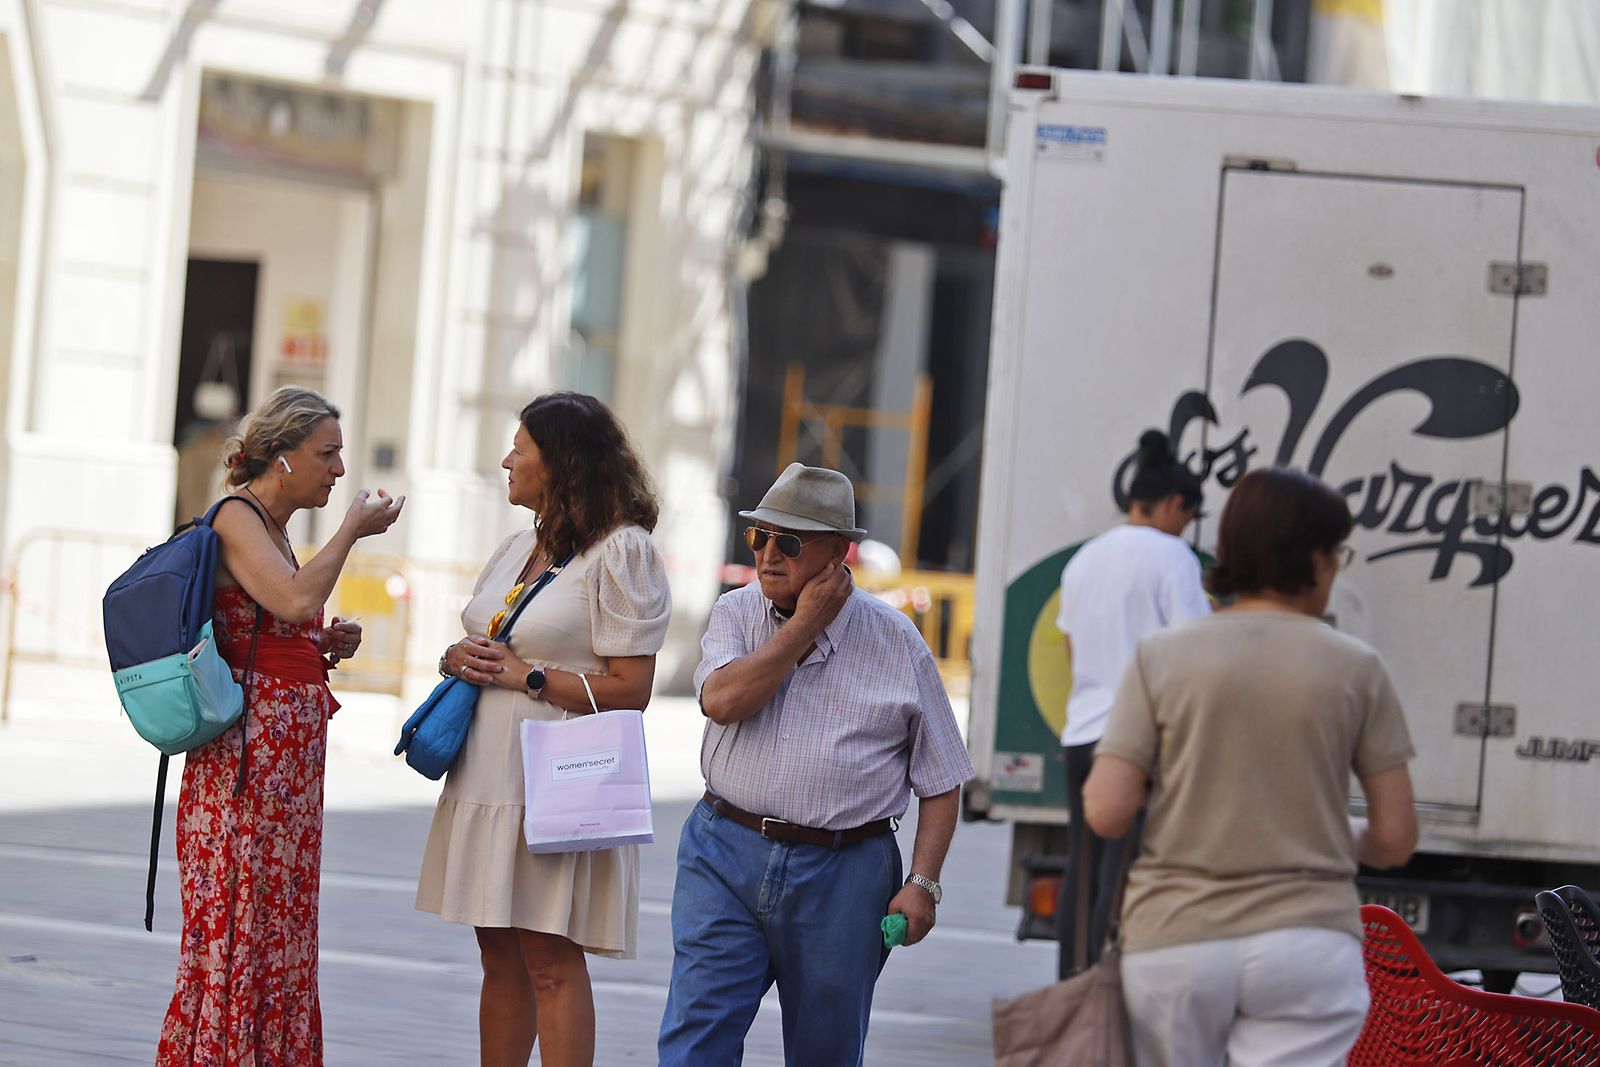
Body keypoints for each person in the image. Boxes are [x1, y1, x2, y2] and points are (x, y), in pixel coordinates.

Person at [1084, 467, 1419, 1067]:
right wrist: (1316, 832)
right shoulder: (1358, 668)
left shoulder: (1161, 657)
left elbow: (1106, 812)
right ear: (1314, 559)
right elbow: (1395, 839)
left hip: (1176, 939)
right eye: (1337, 553)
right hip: (1307, 942)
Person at [657, 462, 975, 1067]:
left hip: (844, 875)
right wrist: (805, 625)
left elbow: (943, 778)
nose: (768, 554)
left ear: (838, 554)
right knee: (694, 1041)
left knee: (824, 1053)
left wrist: (923, 883)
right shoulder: (736, 613)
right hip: (725, 851)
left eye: (790, 542)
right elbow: (724, 701)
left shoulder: (896, 640)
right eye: (760, 536)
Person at [416, 392, 671, 1067]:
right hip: (488, 773)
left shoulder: (623, 551)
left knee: (549, 957)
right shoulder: (518, 544)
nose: (506, 460)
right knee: (497, 952)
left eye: (520, 450)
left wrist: (527, 676)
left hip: (556, 779)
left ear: (560, 465)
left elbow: (633, 689)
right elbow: (489, 638)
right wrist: (456, 657)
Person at [157, 385, 405, 1065]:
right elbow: (296, 598)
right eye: (327, 453)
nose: (339, 469)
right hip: (247, 762)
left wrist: (322, 644)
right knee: (244, 924)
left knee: (275, 925)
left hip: (280, 764)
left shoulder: (272, 525)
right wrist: (351, 529)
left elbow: (270, 621)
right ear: (284, 455)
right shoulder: (237, 514)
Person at [1053, 429, 1209, 976]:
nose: (1184, 528)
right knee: (1123, 878)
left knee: (1085, 870)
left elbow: (1073, 647)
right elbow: (1192, 655)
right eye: (1187, 517)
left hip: (1081, 736)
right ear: (1173, 505)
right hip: (1138, 743)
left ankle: (1071, 998)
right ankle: (1102, 1003)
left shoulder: (1084, 560)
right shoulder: (1174, 558)